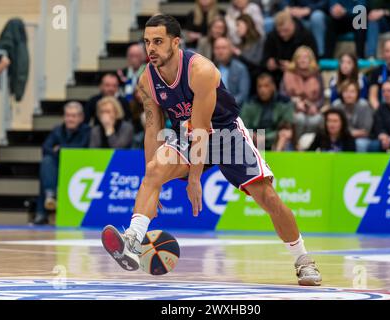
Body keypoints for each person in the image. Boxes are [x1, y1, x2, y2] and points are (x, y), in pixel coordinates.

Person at [101, 14, 322, 286]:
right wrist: (152, 180)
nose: (151, 48)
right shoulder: (147, 80)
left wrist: (195, 179)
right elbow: (152, 129)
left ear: (176, 42)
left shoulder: (200, 70)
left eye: (158, 41)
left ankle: (303, 260)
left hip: (225, 134)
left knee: (268, 198)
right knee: (155, 169)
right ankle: (133, 240)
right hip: (187, 135)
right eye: (147, 42)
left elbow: (203, 131)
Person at [34, 102, 90, 225]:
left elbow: (82, 149)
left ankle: (47, 204)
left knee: (50, 167)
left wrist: (60, 149)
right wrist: (63, 151)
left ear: (81, 117)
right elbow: (46, 148)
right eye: (68, 115)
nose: (70, 119)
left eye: (74, 116)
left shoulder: (87, 130)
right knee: (47, 162)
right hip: (59, 165)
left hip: (79, 168)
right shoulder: (58, 130)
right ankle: (49, 197)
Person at [262, 8, 318, 84]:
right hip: (276, 75)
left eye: (285, 30)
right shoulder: (272, 36)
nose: (282, 34)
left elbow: (314, 62)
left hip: (301, 76)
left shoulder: (305, 36)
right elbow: (264, 58)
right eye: (279, 31)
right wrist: (268, 63)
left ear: (292, 24)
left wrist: (293, 67)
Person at [240, 73, 294, 150]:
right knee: (246, 134)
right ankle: (254, 159)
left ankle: (278, 158)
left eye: (266, 86)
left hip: (275, 138)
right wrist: (254, 135)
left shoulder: (284, 102)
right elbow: (243, 126)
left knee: (285, 133)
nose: (262, 90)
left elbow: (286, 125)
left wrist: (266, 137)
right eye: (260, 86)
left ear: (273, 87)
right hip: (256, 138)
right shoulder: (250, 103)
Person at [282, 46, 324, 137]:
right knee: (299, 118)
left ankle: (306, 145)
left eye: (305, 57)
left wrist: (315, 106)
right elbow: (282, 95)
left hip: (312, 108)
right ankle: (296, 144)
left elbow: (321, 97)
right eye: (299, 57)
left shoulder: (317, 75)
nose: (302, 60)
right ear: (295, 60)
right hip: (292, 108)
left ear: (311, 60)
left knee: (317, 119)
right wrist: (294, 103)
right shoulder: (288, 74)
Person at [332, 80, 373, 152]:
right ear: (341, 93)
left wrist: (346, 133)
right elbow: (333, 128)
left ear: (357, 93)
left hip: (361, 139)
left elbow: (366, 131)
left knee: (359, 143)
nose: (349, 95)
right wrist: (350, 133)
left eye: (352, 92)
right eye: (345, 91)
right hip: (341, 137)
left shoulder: (364, 105)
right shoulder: (336, 105)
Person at [213, 37, 251, 106]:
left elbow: (243, 95)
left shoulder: (240, 69)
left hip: (235, 109)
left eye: (224, 48)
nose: (220, 51)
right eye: (217, 48)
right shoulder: (210, 69)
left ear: (231, 50)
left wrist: (227, 105)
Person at [232, 14, 265, 85]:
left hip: (255, 80)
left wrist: (240, 55)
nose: (237, 29)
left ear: (247, 25)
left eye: (238, 25)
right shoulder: (240, 44)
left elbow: (256, 63)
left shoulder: (259, 41)